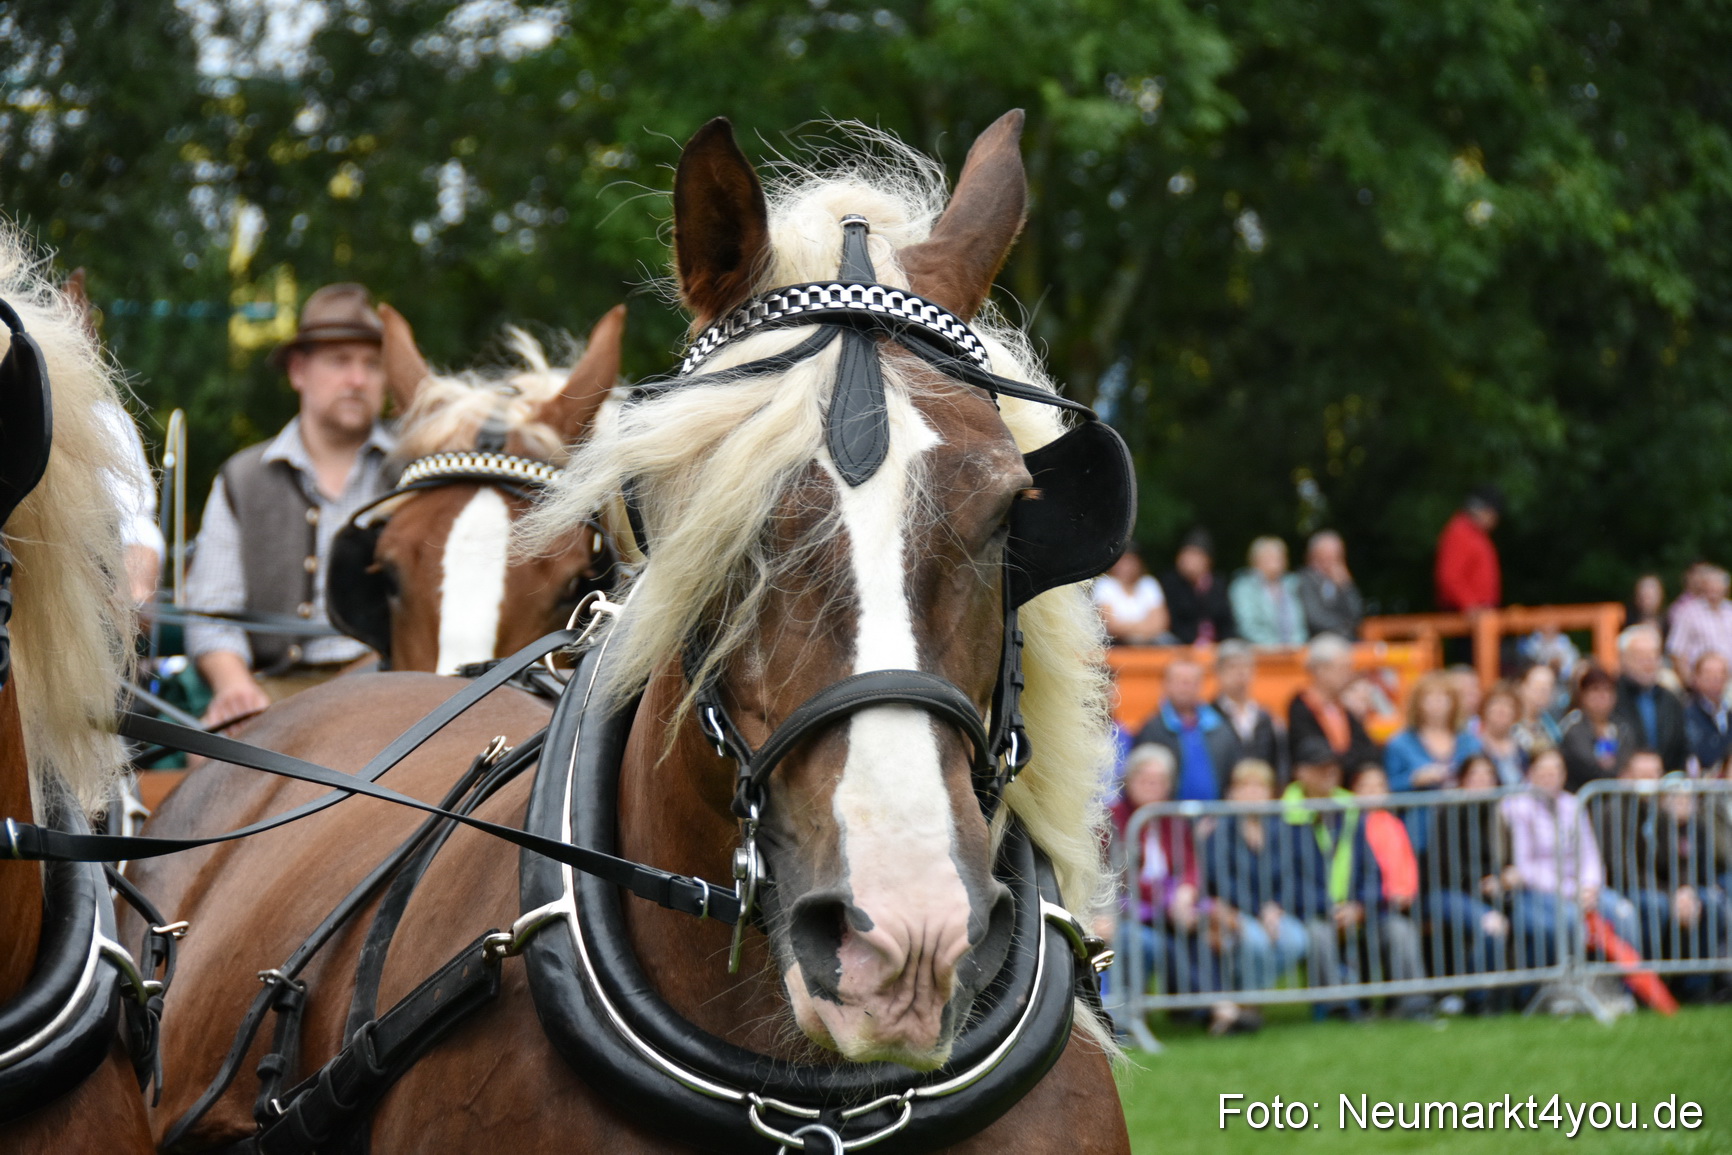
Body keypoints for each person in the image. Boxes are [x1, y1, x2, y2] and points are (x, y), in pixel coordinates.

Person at [184, 284, 394, 727]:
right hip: (274, 694)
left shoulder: (412, 475)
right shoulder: (243, 478)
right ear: (298, 371)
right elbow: (212, 613)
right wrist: (234, 687)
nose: (358, 379)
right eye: (340, 361)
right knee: (205, 771)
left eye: (373, 365)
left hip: (391, 685)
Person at [1279, 741, 1429, 1019]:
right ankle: (1340, 1007)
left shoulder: (1350, 811)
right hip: (1313, 913)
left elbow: (1371, 871)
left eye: (1332, 769)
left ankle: (1412, 1003)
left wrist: (1360, 907)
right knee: (1319, 934)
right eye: (1321, 769)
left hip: (1358, 910)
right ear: (1301, 773)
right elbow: (1286, 879)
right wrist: (1329, 910)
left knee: (1399, 929)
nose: (1329, 774)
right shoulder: (1284, 818)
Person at [1106, 745, 1230, 1018]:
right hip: (1129, 913)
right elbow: (1122, 876)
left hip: (1171, 909)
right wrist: (1168, 900)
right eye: (1145, 779)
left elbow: (1190, 864)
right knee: (1163, 942)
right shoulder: (1111, 818)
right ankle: (1215, 1010)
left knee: (1204, 933)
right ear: (1128, 780)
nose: (1153, 786)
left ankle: (1208, 1009)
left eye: (1160, 780)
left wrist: (1186, 891)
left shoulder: (1171, 820)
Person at [1500, 748, 1639, 968]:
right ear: (1530, 773)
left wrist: (1589, 886)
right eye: (1543, 771)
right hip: (1539, 891)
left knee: (1624, 913)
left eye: (1555, 771)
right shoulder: (1517, 807)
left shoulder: (1573, 804)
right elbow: (1524, 866)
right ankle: (1571, 986)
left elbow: (1590, 853)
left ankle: (1621, 987)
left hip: (1581, 888)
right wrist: (1569, 890)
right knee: (1572, 919)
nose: (1550, 777)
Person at [1199, 760, 1306, 1009]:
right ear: (1233, 793)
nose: (1252, 792)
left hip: (1273, 911)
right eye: (1245, 786)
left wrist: (1276, 907)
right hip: (1236, 909)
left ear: (1271, 793)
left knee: (1298, 940)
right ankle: (1248, 1002)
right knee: (1256, 942)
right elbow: (1223, 879)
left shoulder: (1280, 829)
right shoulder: (1221, 829)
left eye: (1260, 786)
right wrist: (1259, 910)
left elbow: (1290, 874)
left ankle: (1249, 997)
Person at [1135, 655, 1242, 802]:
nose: (1185, 687)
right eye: (1179, 681)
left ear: (1201, 685)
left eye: (1191, 682)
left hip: (1217, 818)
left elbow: (1233, 774)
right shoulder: (1152, 729)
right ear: (1165, 684)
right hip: (1168, 818)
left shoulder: (1220, 727)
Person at [1287, 633, 1380, 774]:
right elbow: (1312, 752)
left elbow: (1367, 752)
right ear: (1320, 670)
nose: (1348, 674)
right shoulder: (1301, 707)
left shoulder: (1345, 708)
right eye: (1342, 668)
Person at [1383, 671, 1477, 794]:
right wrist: (1415, 779)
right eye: (1430, 697)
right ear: (1418, 704)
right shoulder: (1399, 744)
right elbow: (1387, 785)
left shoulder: (1470, 741)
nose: (1437, 702)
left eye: (1443, 697)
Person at [1613, 624, 1689, 771]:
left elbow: (1681, 747)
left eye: (1654, 656)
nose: (1648, 663)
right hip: (1622, 785)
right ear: (1623, 659)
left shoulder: (1671, 700)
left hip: (1666, 784)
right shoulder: (1611, 698)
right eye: (1640, 657)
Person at [1212, 640, 1283, 777]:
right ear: (1218, 672)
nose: (1241, 673)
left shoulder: (1264, 717)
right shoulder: (1209, 716)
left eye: (1246, 666)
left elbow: (1277, 761)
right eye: (1232, 667)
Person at [1559, 664, 1635, 791]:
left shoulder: (1622, 727)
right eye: (1595, 690)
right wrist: (1616, 775)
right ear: (1582, 695)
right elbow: (1585, 765)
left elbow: (1628, 759)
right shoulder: (1573, 727)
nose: (1602, 696)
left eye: (1607, 690)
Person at [1159, 529, 1235, 645]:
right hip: (1182, 645)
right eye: (1185, 554)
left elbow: (1226, 621)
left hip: (1216, 646)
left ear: (1207, 560)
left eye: (1194, 555)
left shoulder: (1218, 584)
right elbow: (1173, 622)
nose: (1187, 560)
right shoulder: (1171, 583)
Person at [1434, 486, 1503, 614]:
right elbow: (1449, 577)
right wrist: (1469, 605)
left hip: (1480, 616)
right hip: (1464, 618)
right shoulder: (1460, 532)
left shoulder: (1477, 535)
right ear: (1487, 512)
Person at [1228, 537, 1307, 646]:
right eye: (1268, 558)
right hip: (1258, 649)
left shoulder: (1292, 585)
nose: (1275, 562)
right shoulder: (1243, 587)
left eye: (1278, 558)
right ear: (1255, 561)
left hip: (1295, 649)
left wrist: (1295, 645)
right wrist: (1275, 648)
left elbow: (1301, 624)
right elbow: (1247, 626)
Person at [1093, 545, 1170, 644]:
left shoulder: (1149, 583)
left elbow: (1160, 624)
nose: (1126, 567)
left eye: (1131, 561)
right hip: (1116, 643)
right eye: (1123, 561)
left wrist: (1128, 627)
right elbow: (1111, 625)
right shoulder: (1105, 584)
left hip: (1150, 642)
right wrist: (1145, 626)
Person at [1667, 565, 1732, 681]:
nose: (1714, 591)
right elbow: (1675, 650)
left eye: (1717, 586)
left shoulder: (1730, 610)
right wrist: (1690, 682)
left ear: (1725, 589)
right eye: (1710, 587)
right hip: (1702, 682)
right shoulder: (1688, 612)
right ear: (1703, 587)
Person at [1295, 530, 1363, 640]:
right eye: (1329, 553)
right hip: (1318, 640)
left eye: (1337, 554)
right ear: (1315, 554)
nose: (1334, 558)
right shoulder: (1305, 580)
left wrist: (1347, 587)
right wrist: (1344, 627)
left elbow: (1357, 614)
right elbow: (1314, 617)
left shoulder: (1342, 580)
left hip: (1347, 639)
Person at [1684, 652, 1732, 774]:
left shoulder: (1728, 714)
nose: (1716, 678)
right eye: (1709, 673)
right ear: (1696, 677)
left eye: (1721, 673)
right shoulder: (1685, 714)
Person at [1476, 683, 1527, 788]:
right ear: (1484, 708)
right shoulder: (1474, 746)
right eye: (1496, 703)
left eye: (1508, 705)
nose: (1501, 710)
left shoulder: (1523, 747)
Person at [1513, 662, 1565, 755]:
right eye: (1537, 687)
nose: (1543, 693)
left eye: (1548, 688)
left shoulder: (1553, 728)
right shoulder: (1510, 722)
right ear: (1521, 687)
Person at [1627, 573, 1669, 644]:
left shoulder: (1669, 623)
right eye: (1643, 595)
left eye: (1650, 596)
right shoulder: (1626, 621)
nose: (1646, 600)